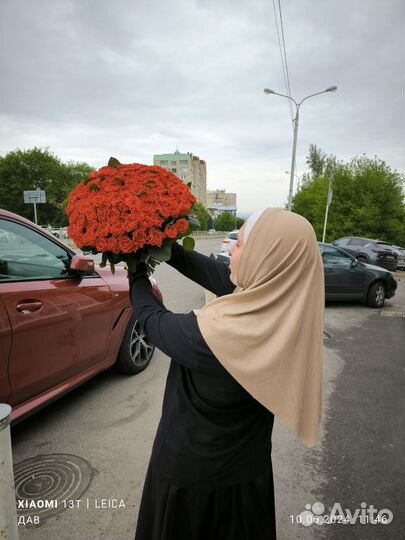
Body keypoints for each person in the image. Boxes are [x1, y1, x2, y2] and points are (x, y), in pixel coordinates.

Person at [129, 207, 324, 540]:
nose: (229, 247)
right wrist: (158, 241)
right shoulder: (284, 308)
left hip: (192, 487)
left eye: (240, 244)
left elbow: (151, 318)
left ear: (264, 260)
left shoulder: (214, 335)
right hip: (248, 478)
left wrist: (134, 267)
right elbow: (208, 270)